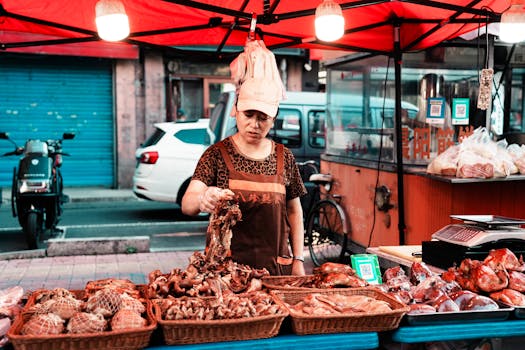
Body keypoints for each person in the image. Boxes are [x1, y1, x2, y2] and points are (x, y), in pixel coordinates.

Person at [181, 77, 307, 276]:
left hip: (275, 269)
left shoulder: (285, 157)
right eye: (248, 115)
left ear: (273, 119)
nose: (254, 124)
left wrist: (298, 259)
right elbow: (187, 204)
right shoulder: (216, 154)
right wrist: (202, 198)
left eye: (263, 118)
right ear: (235, 111)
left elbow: (294, 211)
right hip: (225, 273)